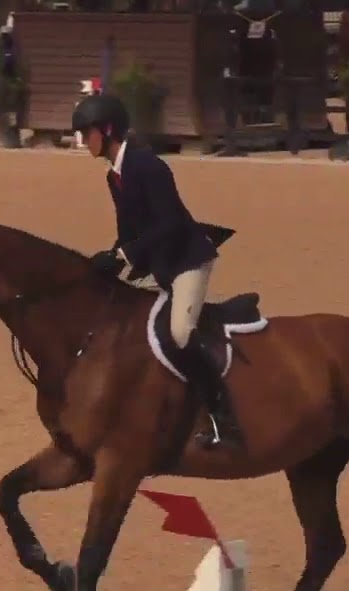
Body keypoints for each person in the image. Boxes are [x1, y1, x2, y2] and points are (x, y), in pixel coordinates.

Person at [71, 94, 244, 451]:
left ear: (106, 130)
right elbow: (129, 231)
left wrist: (126, 252)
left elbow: (170, 224)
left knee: (180, 334)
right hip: (159, 260)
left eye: (86, 133)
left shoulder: (147, 166)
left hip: (187, 260)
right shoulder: (114, 175)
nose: (82, 141)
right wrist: (111, 258)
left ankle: (222, 417)